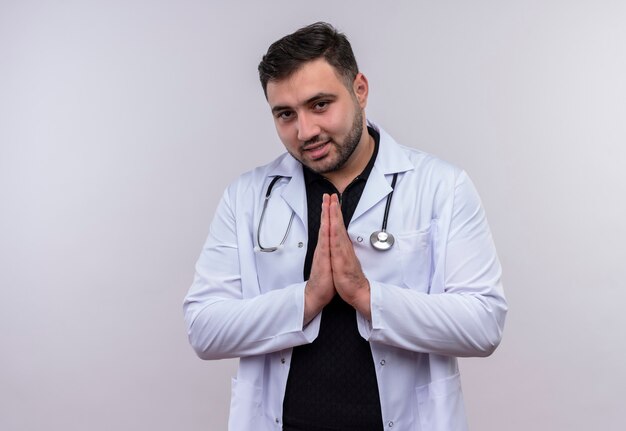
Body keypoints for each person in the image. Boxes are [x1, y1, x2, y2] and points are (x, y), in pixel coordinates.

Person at [184, 22, 507, 431]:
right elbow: (204, 329)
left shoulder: (440, 186)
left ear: (360, 90)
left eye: (320, 104)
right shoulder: (246, 197)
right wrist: (308, 299)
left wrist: (368, 296)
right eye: (286, 114)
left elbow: (483, 324)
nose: (305, 131)